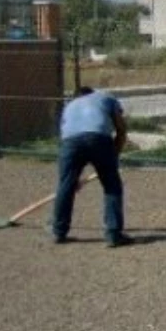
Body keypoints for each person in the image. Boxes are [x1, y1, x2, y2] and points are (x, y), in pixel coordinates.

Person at [52, 86, 133, 247]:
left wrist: (72, 179)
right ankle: (113, 233)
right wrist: (113, 156)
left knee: (65, 187)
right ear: (92, 93)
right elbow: (121, 129)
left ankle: (59, 232)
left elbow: (68, 135)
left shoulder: (69, 106)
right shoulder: (105, 97)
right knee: (112, 186)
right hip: (98, 138)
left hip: (70, 143)